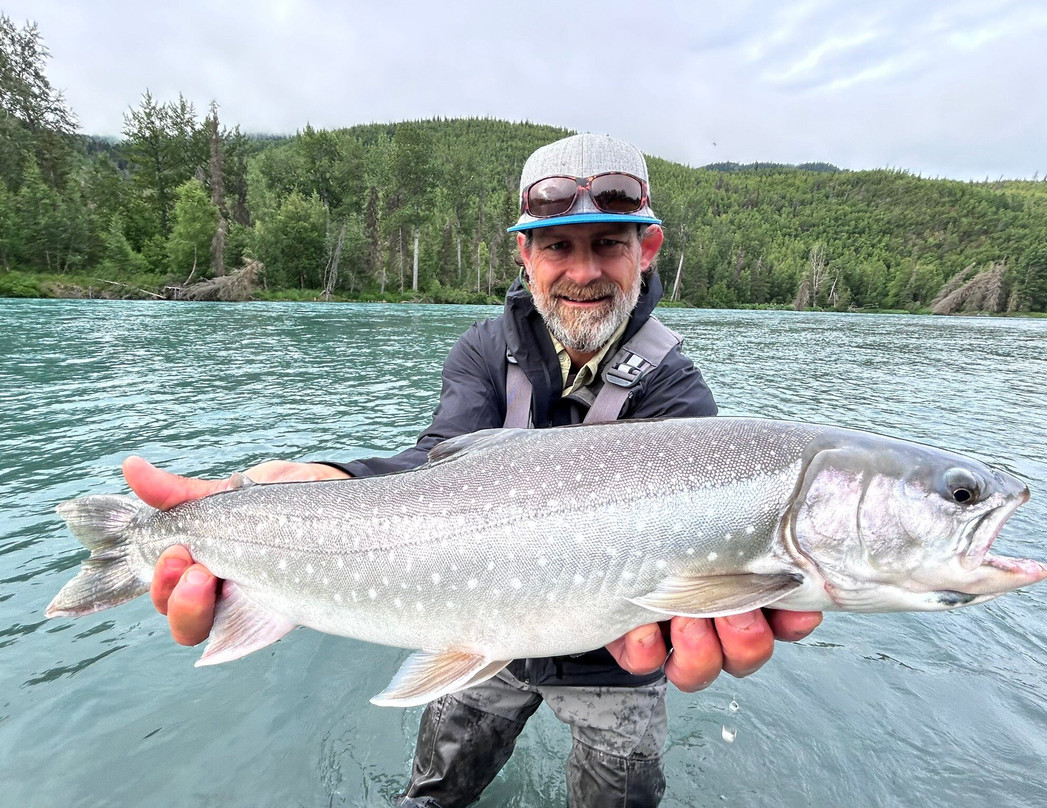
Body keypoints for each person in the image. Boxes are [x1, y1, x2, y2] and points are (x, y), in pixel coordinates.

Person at [127, 133, 823, 807]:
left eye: (608, 244)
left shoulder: (679, 392)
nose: (583, 272)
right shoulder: (483, 353)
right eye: (558, 246)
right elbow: (431, 471)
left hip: (614, 653)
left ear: (647, 248)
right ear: (525, 253)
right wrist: (332, 478)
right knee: (435, 792)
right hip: (478, 620)